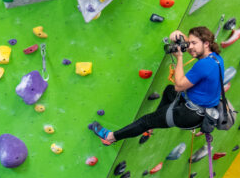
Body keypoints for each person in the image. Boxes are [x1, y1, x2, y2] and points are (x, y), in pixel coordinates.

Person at [89, 26, 223, 145]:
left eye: (194, 43)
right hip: (202, 109)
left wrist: (179, 58)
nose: (190, 47)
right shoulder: (216, 58)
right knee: (169, 91)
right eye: (190, 43)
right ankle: (155, 122)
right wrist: (180, 35)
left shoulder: (203, 65)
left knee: (146, 121)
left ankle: (110, 137)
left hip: (188, 114)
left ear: (206, 43)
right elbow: (195, 48)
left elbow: (179, 86)